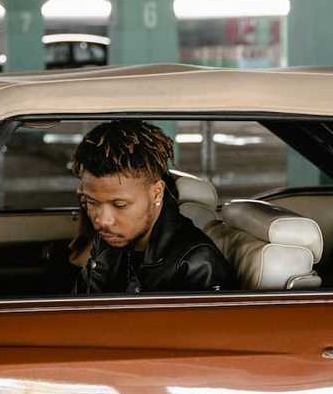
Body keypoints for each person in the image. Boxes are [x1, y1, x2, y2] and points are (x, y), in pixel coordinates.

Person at [66, 120, 234, 294]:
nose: (102, 220)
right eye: (92, 202)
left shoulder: (197, 264)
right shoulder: (110, 240)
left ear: (156, 193)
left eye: (120, 205)